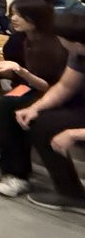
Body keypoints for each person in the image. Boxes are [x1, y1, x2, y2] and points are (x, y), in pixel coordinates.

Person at [0, 0, 70, 197]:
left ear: (36, 18)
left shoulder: (53, 44)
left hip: (58, 96)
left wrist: (20, 70)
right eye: (12, 14)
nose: (13, 19)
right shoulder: (25, 39)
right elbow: (23, 74)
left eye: (19, 15)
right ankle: (13, 173)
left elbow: (50, 86)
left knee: (10, 105)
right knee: (10, 105)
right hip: (32, 89)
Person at [12, 12, 85, 213]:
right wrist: (35, 108)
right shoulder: (79, 53)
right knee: (41, 123)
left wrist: (74, 134)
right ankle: (71, 194)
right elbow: (65, 87)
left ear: (73, 41)